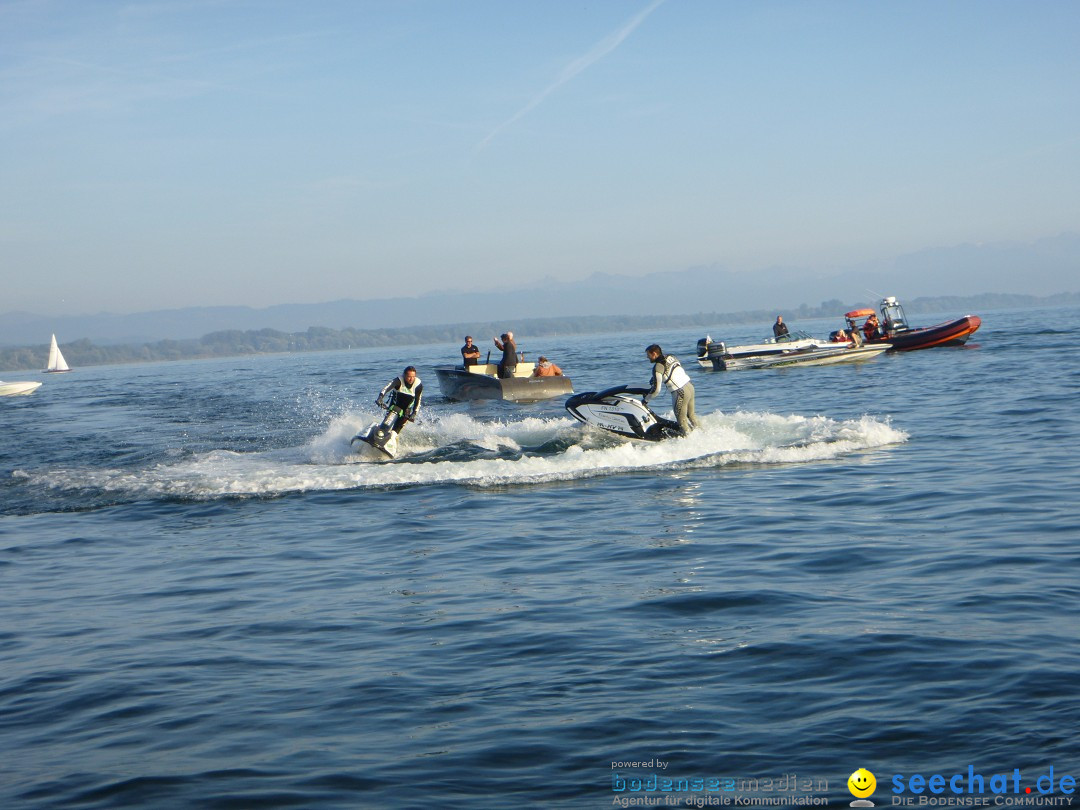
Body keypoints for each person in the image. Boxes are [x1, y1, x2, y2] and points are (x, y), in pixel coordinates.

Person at [643, 344, 700, 437]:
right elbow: (673, 371)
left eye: (648, 355)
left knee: (682, 421)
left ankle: (692, 441)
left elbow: (656, 390)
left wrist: (646, 400)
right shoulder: (671, 356)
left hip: (680, 392)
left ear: (654, 354)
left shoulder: (658, 366)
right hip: (690, 386)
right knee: (692, 416)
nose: (647, 357)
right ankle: (704, 434)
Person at [376, 366, 423, 434]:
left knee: (395, 431)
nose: (411, 379)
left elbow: (418, 401)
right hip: (394, 407)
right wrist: (380, 398)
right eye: (409, 376)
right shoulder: (398, 381)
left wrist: (414, 413)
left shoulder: (418, 385)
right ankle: (379, 433)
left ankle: (392, 439)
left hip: (406, 411)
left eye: (413, 377)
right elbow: (386, 389)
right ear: (404, 375)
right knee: (385, 427)